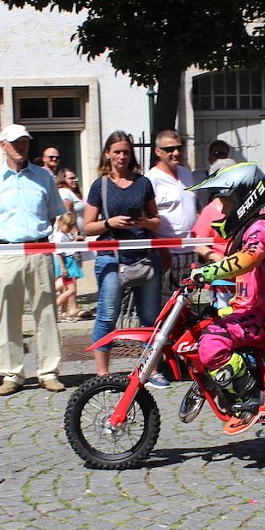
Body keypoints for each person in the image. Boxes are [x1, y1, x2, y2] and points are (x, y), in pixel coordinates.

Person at [188, 162, 265, 435]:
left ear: (245, 199)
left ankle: (251, 399)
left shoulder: (261, 228)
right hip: (251, 308)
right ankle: (225, 382)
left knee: (212, 343)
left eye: (227, 203)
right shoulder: (248, 230)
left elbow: (248, 259)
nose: (223, 210)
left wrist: (209, 270)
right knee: (204, 327)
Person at [0, 124, 66, 396]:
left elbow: (53, 214)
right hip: (7, 251)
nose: (21, 147)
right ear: (3, 145)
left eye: (25, 142)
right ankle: (12, 374)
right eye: (15, 143)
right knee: (8, 314)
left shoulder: (44, 176)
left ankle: (48, 371)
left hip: (39, 249)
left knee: (46, 313)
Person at [84, 131, 167, 388]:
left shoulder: (143, 183)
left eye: (126, 152)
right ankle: (102, 373)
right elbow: (87, 227)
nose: (121, 156)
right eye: (117, 151)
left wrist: (143, 221)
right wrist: (109, 222)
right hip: (112, 259)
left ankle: (150, 370)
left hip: (144, 258)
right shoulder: (100, 186)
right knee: (107, 316)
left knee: (150, 318)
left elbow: (157, 221)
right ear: (107, 154)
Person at [146, 130, 198, 303]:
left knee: (188, 304)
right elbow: (147, 219)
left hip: (191, 250)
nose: (176, 153)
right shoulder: (151, 179)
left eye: (178, 148)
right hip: (167, 251)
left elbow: (193, 209)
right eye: (169, 149)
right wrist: (162, 251)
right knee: (166, 305)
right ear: (158, 151)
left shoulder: (186, 173)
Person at [192, 158, 237, 308]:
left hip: (248, 276)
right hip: (222, 279)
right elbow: (199, 245)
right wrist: (215, 257)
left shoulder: (249, 206)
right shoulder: (209, 211)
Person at [51, 212, 85, 322]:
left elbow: (68, 246)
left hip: (68, 263)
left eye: (71, 226)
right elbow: (58, 253)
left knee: (64, 287)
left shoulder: (66, 235)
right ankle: (53, 306)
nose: (69, 228)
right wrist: (63, 268)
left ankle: (63, 312)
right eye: (68, 225)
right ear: (61, 223)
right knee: (71, 289)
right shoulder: (59, 236)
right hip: (65, 264)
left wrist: (76, 239)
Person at [191, 139, 230, 211]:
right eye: (216, 153)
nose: (220, 157)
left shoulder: (234, 179)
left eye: (223, 154)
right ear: (209, 158)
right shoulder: (197, 177)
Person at [56, 167, 85, 234]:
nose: (75, 180)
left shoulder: (71, 193)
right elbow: (67, 217)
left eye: (75, 178)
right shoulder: (65, 192)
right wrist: (76, 234)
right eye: (71, 178)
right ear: (63, 180)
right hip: (71, 236)